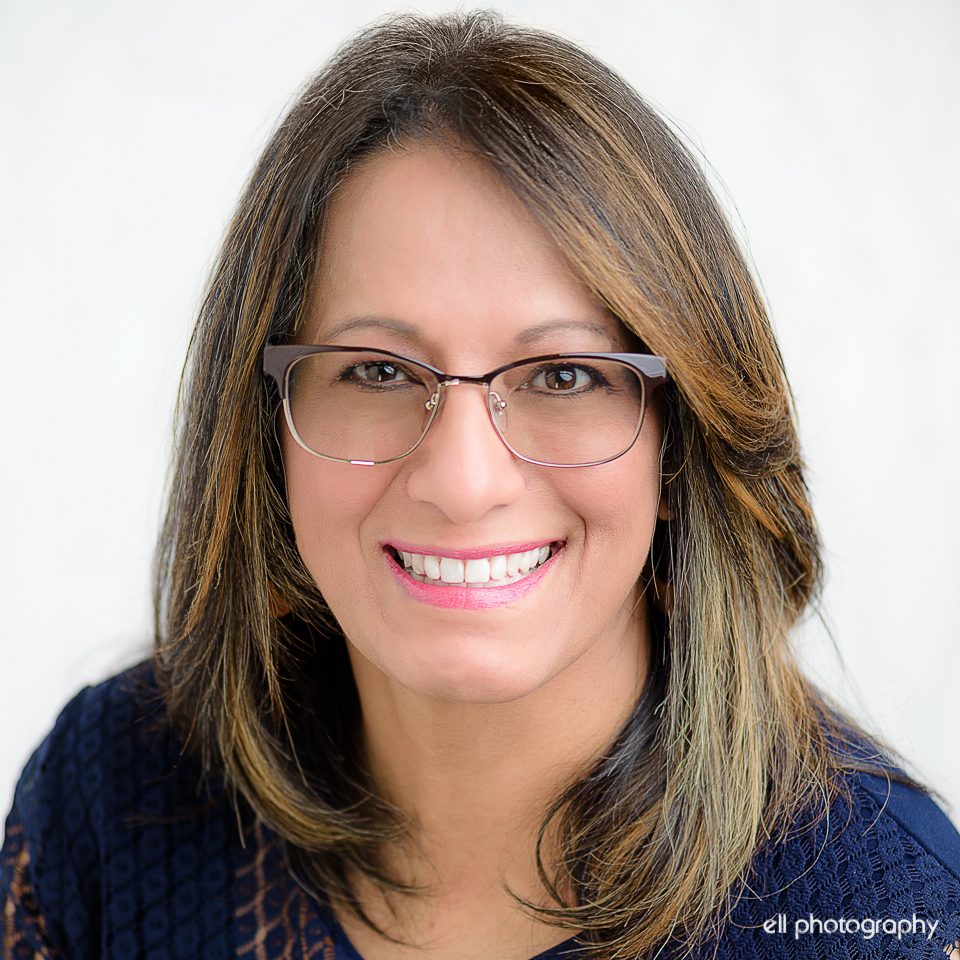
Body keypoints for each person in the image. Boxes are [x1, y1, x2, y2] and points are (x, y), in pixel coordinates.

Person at [3, 10, 959, 960]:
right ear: (267, 436)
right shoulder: (109, 795)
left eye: (565, 376)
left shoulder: (885, 917)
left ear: (682, 443)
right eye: (376, 372)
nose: (463, 483)